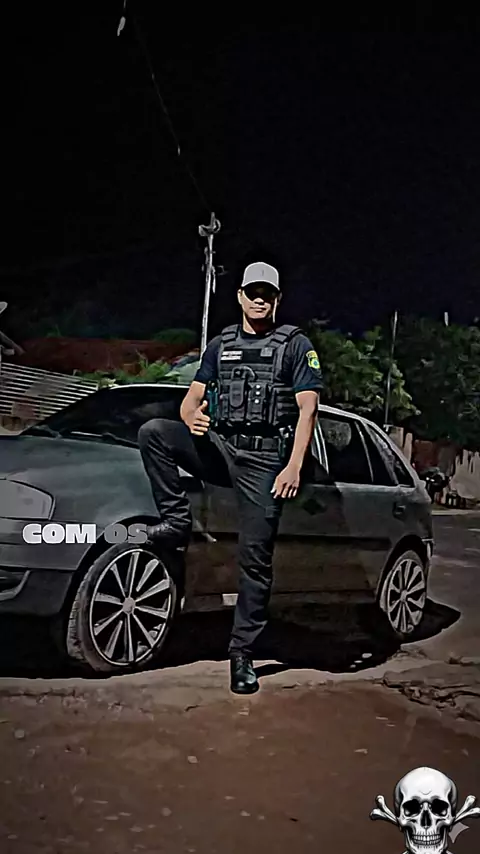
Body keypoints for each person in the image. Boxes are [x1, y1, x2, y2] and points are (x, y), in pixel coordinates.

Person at [138, 261, 323, 694]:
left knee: (255, 560)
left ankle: (242, 653)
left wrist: (293, 466)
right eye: (252, 292)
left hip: (265, 460)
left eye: (267, 294)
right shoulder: (221, 345)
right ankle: (176, 520)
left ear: (277, 300)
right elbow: (191, 399)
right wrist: (190, 416)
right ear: (239, 296)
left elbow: (308, 410)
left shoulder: (295, 345)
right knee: (155, 433)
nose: (259, 299)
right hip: (221, 447)